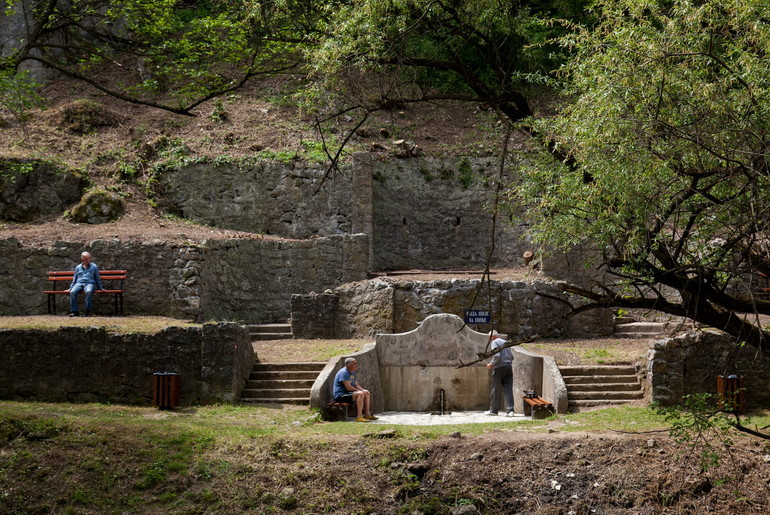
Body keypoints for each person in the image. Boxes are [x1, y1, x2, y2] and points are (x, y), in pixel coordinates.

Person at [333, 357, 378, 422]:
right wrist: (359, 391)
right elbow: (348, 388)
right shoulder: (343, 372)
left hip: (348, 394)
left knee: (366, 392)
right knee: (360, 394)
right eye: (355, 363)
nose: (356, 365)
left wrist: (362, 390)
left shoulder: (352, 372)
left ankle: (367, 414)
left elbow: (356, 384)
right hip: (341, 396)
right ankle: (359, 417)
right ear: (349, 365)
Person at [485, 330, 515, 417]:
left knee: (495, 389)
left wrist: (491, 364)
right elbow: (512, 357)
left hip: (499, 368)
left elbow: (497, 355)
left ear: (492, 337)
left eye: (489, 338)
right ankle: (510, 411)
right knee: (508, 389)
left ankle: (493, 411)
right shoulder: (506, 342)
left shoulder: (494, 342)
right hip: (508, 367)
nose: (490, 340)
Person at [68, 251, 104, 317]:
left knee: (89, 291)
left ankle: (88, 311)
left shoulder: (94, 267)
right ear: (82, 259)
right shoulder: (78, 267)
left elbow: (97, 278)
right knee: (72, 292)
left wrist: (100, 288)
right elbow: (74, 279)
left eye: (89, 258)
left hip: (89, 283)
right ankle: (74, 312)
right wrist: (70, 288)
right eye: (86, 259)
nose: (88, 260)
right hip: (79, 283)